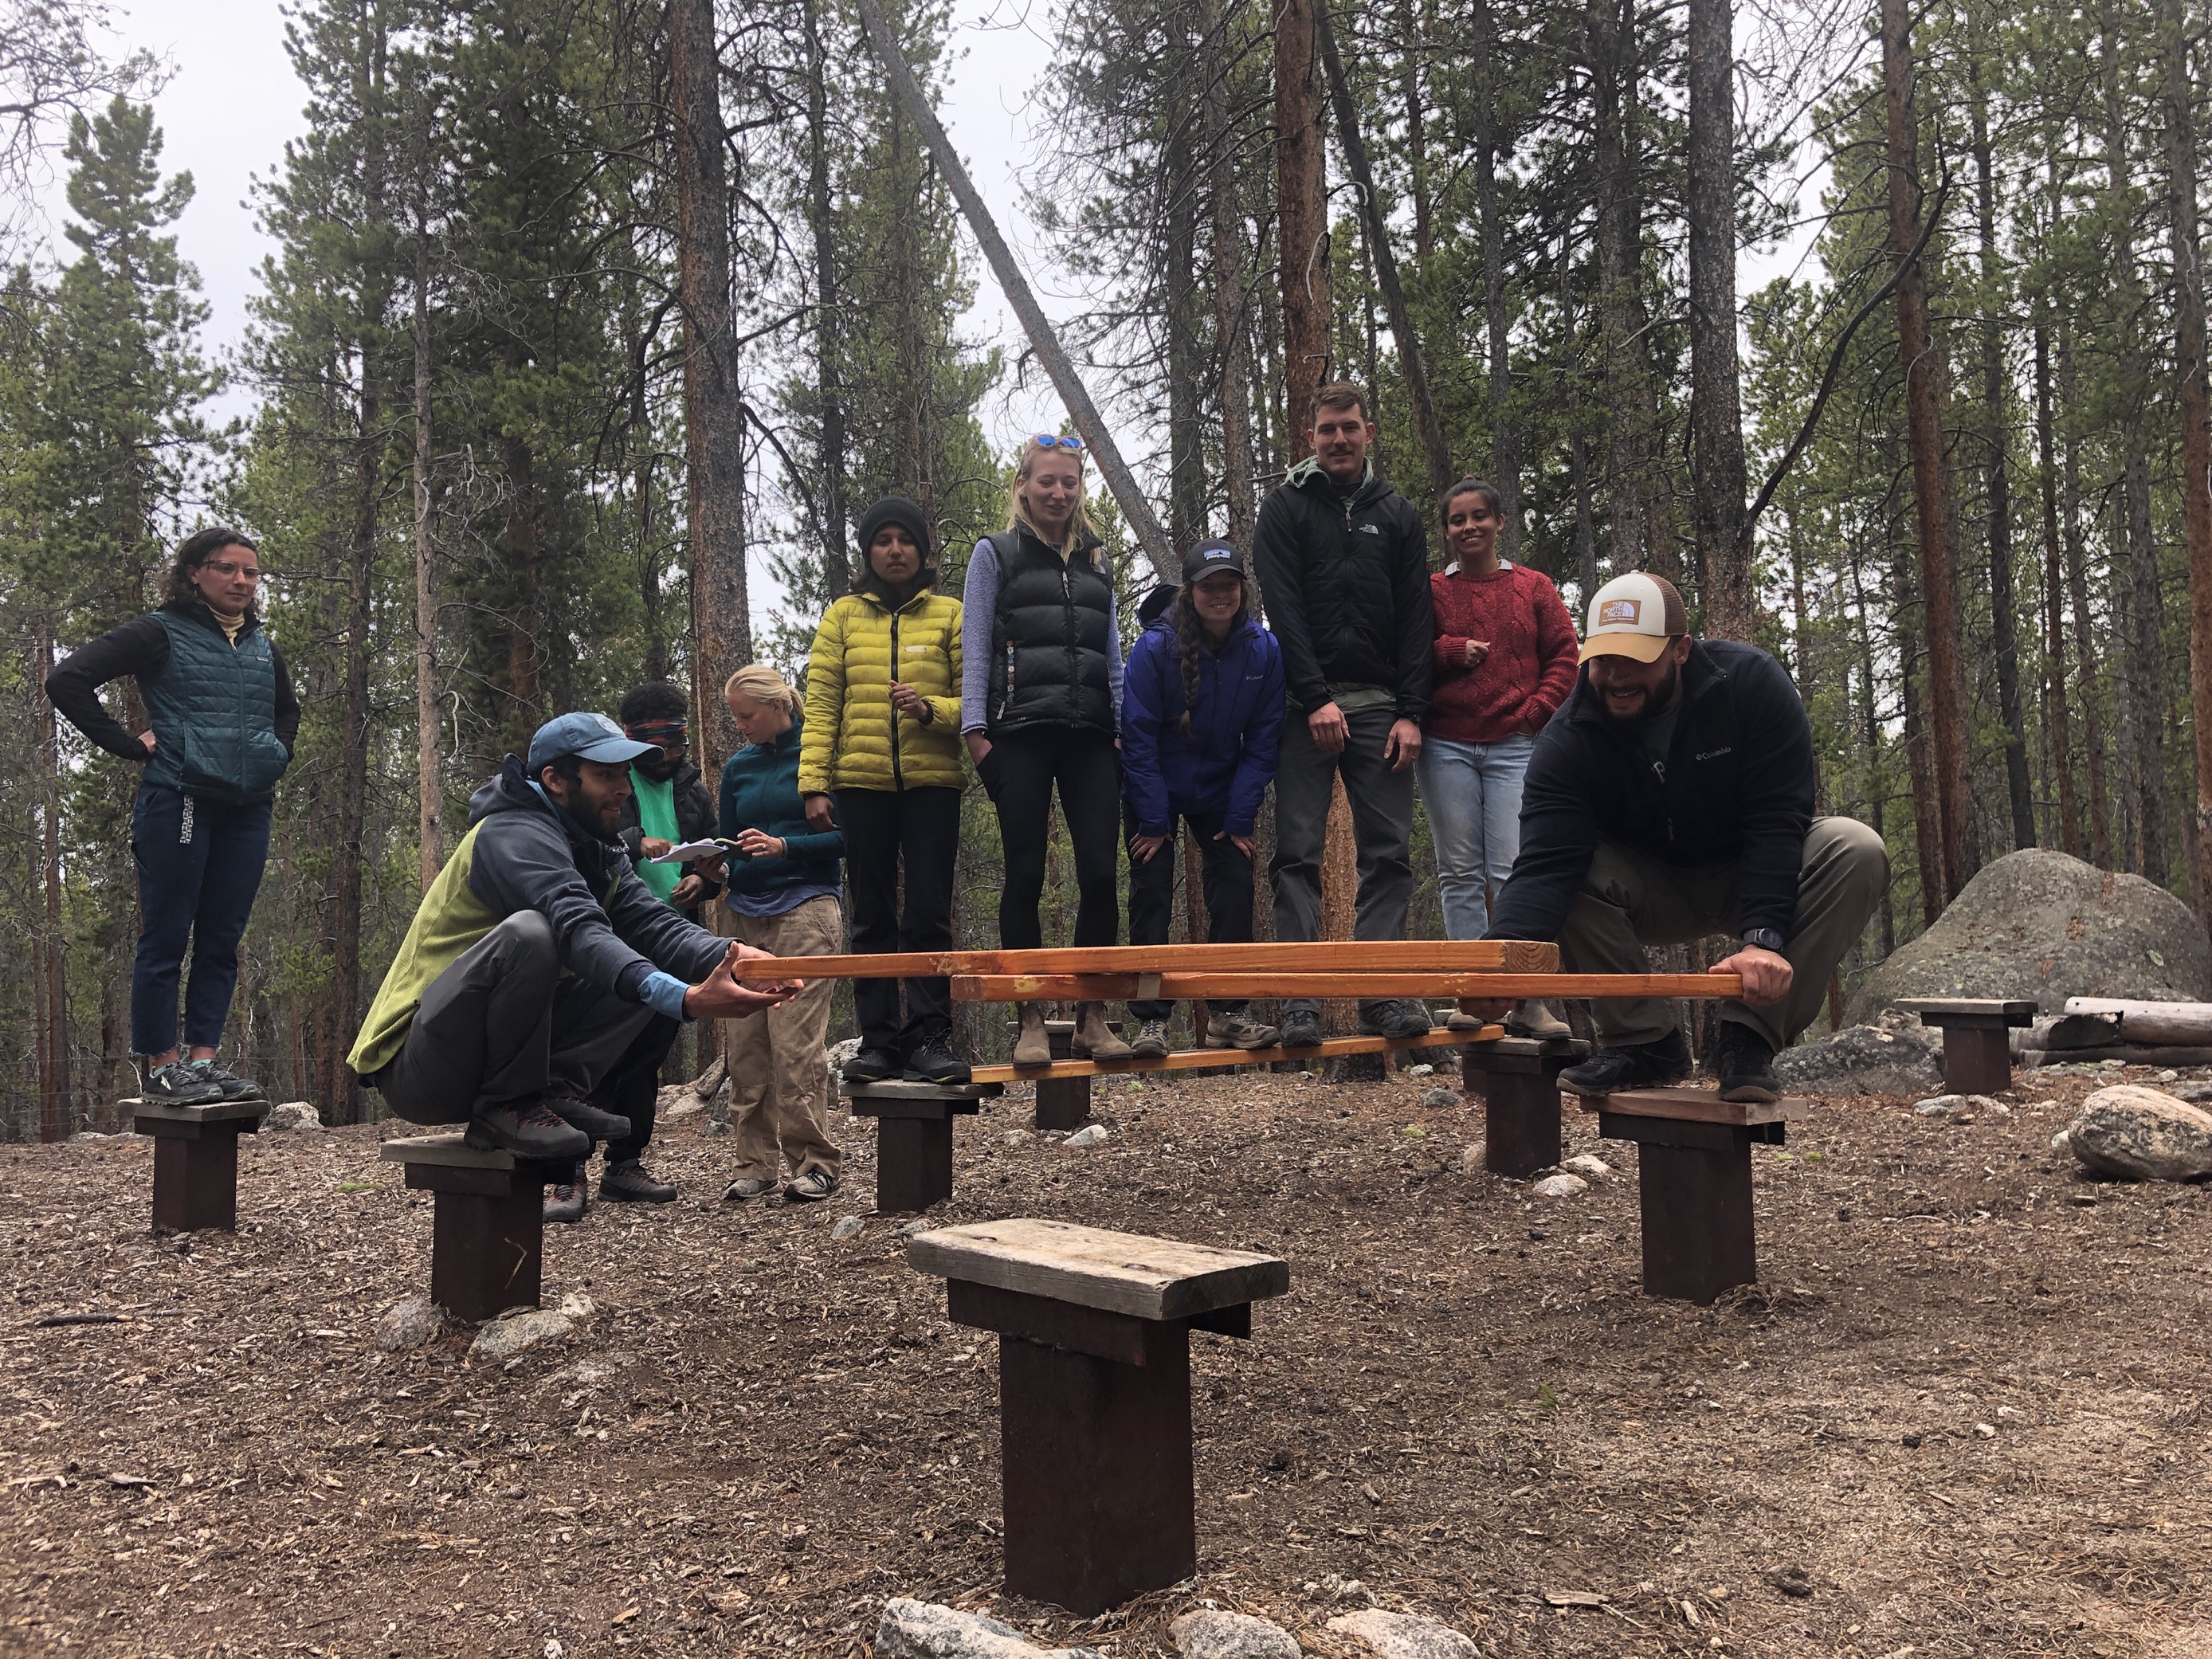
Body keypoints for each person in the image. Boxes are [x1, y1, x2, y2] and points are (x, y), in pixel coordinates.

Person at [1472, 571, 1889, 1102]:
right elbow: (1544, 865)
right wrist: (1499, 965)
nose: (1616, 677)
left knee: (1857, 849)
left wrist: (1763, 937)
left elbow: (1776, 820)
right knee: (1567, 876)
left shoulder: (1751, 685)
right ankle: (1642, 1041)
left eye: (1635, 659)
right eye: (1603, 660)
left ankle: (1749, 1037)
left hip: (1751, 872)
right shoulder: (1570, 736)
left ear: (1681, 650)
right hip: (1649, 889)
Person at [346, 712, 798, 1161]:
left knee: (638, 955)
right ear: (555, 780)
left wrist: (736, 956)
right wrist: (686, 999)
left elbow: (653, 925)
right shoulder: (514, 832)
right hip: (419, 1065)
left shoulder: (598, 847)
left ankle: (548, 1092)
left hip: (480, 1061)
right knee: (534, 934)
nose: (623, 787)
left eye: (624, 774)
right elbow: (576, 927)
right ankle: (508, 1105)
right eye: (605, 775)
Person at [46, 528, 299, 1106]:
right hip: (179, 799)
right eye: (227, 568)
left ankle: (203, 1062)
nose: (241, 581)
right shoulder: (160, 632)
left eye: (251, 572)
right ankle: (163, 1066)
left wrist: (273, 754)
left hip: (248, 806)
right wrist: (131, 746)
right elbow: (67, 679)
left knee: (222, 938)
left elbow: (287, 710)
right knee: (166, 937)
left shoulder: (261, 644)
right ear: (193, 573)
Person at [1251, 382, 1435, 1049]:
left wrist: (1414, 711)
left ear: (1369, 432)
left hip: (1384, 712)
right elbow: (1284, 610)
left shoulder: (1400, 515)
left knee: (1388, 856)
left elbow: (1418, 616)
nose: (1338, 440)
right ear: (1311, 436)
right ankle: (1299, 999)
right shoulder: (1285, 509)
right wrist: (1316, 695)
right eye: (1327, 429)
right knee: (1296, 854)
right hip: (1305, 710)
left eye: (1349, 428)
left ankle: (1382, 993)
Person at [962, 433, 1133, 1065]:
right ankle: (1029, 1016)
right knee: (1026, 873)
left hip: (1091, 737)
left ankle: (1092, 1015)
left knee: (1100, 874)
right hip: (1019, 734)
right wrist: (977, 738)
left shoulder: (1098, 561)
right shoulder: (995, 555)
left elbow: (1111, 654)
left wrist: (1121, 729)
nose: (1058, 493)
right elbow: (976, 647)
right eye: (1046, 482)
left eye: (1069, 482)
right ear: (1023, 487)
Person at [800, 496, 969, 1088]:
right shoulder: (842, 615)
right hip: (860, 785)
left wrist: (929, 709)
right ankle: (878, 1042)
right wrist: (815, 784)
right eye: (883, 540)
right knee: (871, 915)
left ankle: (929, 1036)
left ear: (922, 551)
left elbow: (974, 703)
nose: (895, 549)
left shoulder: (950, 613)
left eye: (905, 540)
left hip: (932, 786)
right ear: (868, 552)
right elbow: (821, 703)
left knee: (927, 912)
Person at [543, 681, 726, 1222]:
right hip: (601, 939)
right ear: (631, 741)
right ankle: (566, 1171)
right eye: (656, 741)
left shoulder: (693, 790)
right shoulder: (606, 784)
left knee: (646, 1058)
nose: (668, 752)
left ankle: (626, 1164)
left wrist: (703, 879)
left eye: (676, 739)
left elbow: (712, 855)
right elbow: (582, 849)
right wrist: (635, 839)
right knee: (585, 1061)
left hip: (672, 936)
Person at [1418, 477, 1579, 1038]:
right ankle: (1472, 995)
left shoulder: (1533, 587)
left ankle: (1527, 997)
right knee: (1459, 873)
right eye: (1457, 519)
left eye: (1479, 516)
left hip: (1515, 746)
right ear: (1447, 530)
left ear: (1499, 522)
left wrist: (1536, 713)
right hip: (1446, 746)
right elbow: (1408, 655)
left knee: (1514, 872)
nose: (1469, 527)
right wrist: (1449, 650)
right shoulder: (1434, 591)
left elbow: (1565, 656)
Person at [1120, 539, 1285, 1056]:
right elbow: (1138, 736)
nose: (1220, 595)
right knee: (1152, 893)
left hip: (1220, 784)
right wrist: (1152, 820)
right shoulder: (1154, 647)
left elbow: (1264, 738)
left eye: (1229, 585)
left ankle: (1227, 1013)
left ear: (1242, 589)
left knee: (1234, 883)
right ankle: (1151, 1021)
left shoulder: (1263, 648)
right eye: (1209, 586)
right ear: (1190, 592)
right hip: (1156, 786)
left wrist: (1240, 819)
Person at [717, 665, 848, 1202]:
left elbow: (851, 838)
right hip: (743, 911)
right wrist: (705, 868)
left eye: (747, 715)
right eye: (734, 717)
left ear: (778, 706)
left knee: (794, 1042)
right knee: (745, 1044)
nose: (740, 726)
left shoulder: (818, 758)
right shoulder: (738, 768)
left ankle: (815, 1163)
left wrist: (787, 847)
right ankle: (754, 1163)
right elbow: (726, 842)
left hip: (806, 906)